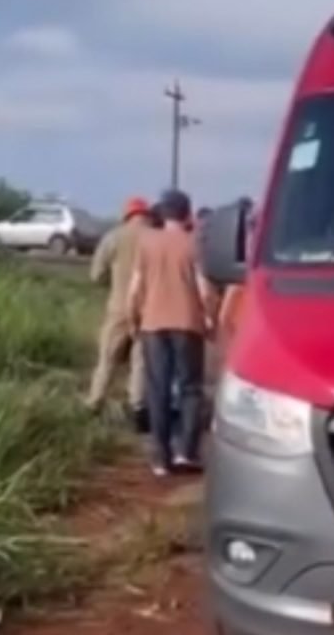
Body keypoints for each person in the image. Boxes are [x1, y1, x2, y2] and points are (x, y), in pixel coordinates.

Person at [127, 189, 214, 477]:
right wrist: (211, 317)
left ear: (162, 213)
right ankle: (186, 452)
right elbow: (204, 289)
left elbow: (135, 288)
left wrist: (133, 318)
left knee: (158, 390)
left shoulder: (147, 242)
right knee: (190, 389)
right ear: (187, 213)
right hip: (188, 323)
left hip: (152, 325)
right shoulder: (193, 244)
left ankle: (160, 458)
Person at [84, 196, 154, 423]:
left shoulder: (113, 237)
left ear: (127, 215)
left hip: (118, 307)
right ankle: (137, 406)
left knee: (107, 358)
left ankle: (95, 402)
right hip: (148, 309)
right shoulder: (155, 238)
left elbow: (96, 276)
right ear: (147, 215)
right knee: (140, 362)